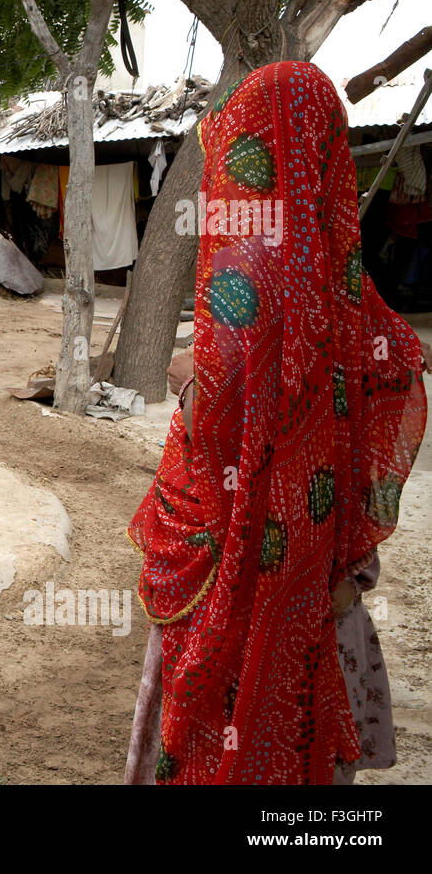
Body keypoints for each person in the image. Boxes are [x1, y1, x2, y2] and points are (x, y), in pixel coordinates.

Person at [123, 61, 428, 785]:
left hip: (233, 573)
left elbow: (219, 422)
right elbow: (398, 374)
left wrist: (188, 378)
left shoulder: (243, 272)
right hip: (319, 577)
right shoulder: (336, 269)